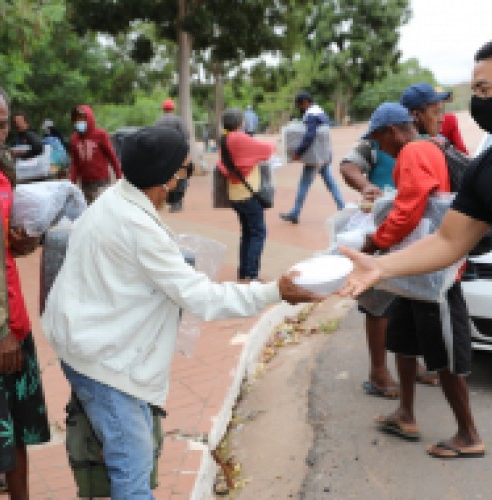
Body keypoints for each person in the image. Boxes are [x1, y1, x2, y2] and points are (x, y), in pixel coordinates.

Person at [41, 126, 320, 499]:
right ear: (166, 177)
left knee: (126, 458)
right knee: (133, 475)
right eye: (183, 171)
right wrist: (275, 292)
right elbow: (202, 298)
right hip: (102, 361)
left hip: (88, 344)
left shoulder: (113, 200)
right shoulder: (137, 226)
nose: (183, 179)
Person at [337, 49, 492, 456]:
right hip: (413, 275)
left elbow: (411, 209)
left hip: (434, 277)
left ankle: (469, 435)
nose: (380, 146)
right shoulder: (438, 150)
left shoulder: (416, 151)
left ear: (395, 129)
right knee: (404, 341)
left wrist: (375, 244)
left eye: (380, 139)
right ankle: (405, 413)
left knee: (447, 356)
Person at [0, 81, 51, 498]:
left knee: (16, 437)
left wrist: (25, 241)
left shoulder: (0, 170)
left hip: (14, 324)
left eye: (2, 126)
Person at [340, 103, 414, 398]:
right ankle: (379, 371)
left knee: (408, 300)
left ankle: (410, 362)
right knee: (377, 302)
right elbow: (347, 166)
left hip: (406, 232)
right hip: (381, 230)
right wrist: (367, 187)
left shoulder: (420, 145)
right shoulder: (373, 143)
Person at [217, 108, 275, 281]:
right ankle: (251, 275)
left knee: (248, 233)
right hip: (248, 194)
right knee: (258, 233)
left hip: (235, 194)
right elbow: (267, 149)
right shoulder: (239, 138)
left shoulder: (225, 139)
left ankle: (243, 273)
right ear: (240, 123)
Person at [280, 91, 344, 224]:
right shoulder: (319, 111)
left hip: (316, 158)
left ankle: (295, 213)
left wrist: (298, 152)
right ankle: (343, 210)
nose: (300, 108)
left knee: (304, 184)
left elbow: (310, 136)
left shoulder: (311, 115)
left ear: (306, 102)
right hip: (324, 155)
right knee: (331, 184)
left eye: (300, 105)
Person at [69, 104, 122, 204]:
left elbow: (112, 157)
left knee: (102, 209)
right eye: (76, 120)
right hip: (85, 183)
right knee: (89, 211)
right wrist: (71, 183)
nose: (79, 123)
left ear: (89, 118)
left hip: (101, 182)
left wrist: (119, 177)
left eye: (82, 119)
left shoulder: (101, 135)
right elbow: (75, 163)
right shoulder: (74, 138)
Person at [154, 98, 190, 212]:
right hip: (177, 153)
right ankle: (177, 203)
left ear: (163, 109)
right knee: (181, 177)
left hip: (164, 154)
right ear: (173, 109)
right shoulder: (178, 120)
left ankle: (167, 200)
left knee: (167, 177)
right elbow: (186, 135)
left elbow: (155, 137)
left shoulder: (158, 121)